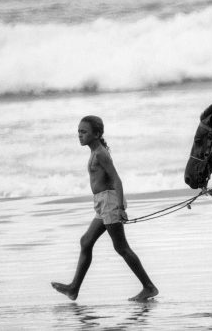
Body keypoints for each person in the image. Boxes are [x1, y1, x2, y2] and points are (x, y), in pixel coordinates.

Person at [51, 115, 158, 302]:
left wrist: (120, 207)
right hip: (102, 203)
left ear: (97, 134)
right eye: (78, 131)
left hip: (109, 202)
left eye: (84, 132)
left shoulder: (100, 153)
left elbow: (116, 179)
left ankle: (148, 287)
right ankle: (74, 288)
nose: (79, 135)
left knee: (121, 247)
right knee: (86, 241)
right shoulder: (94, 152)